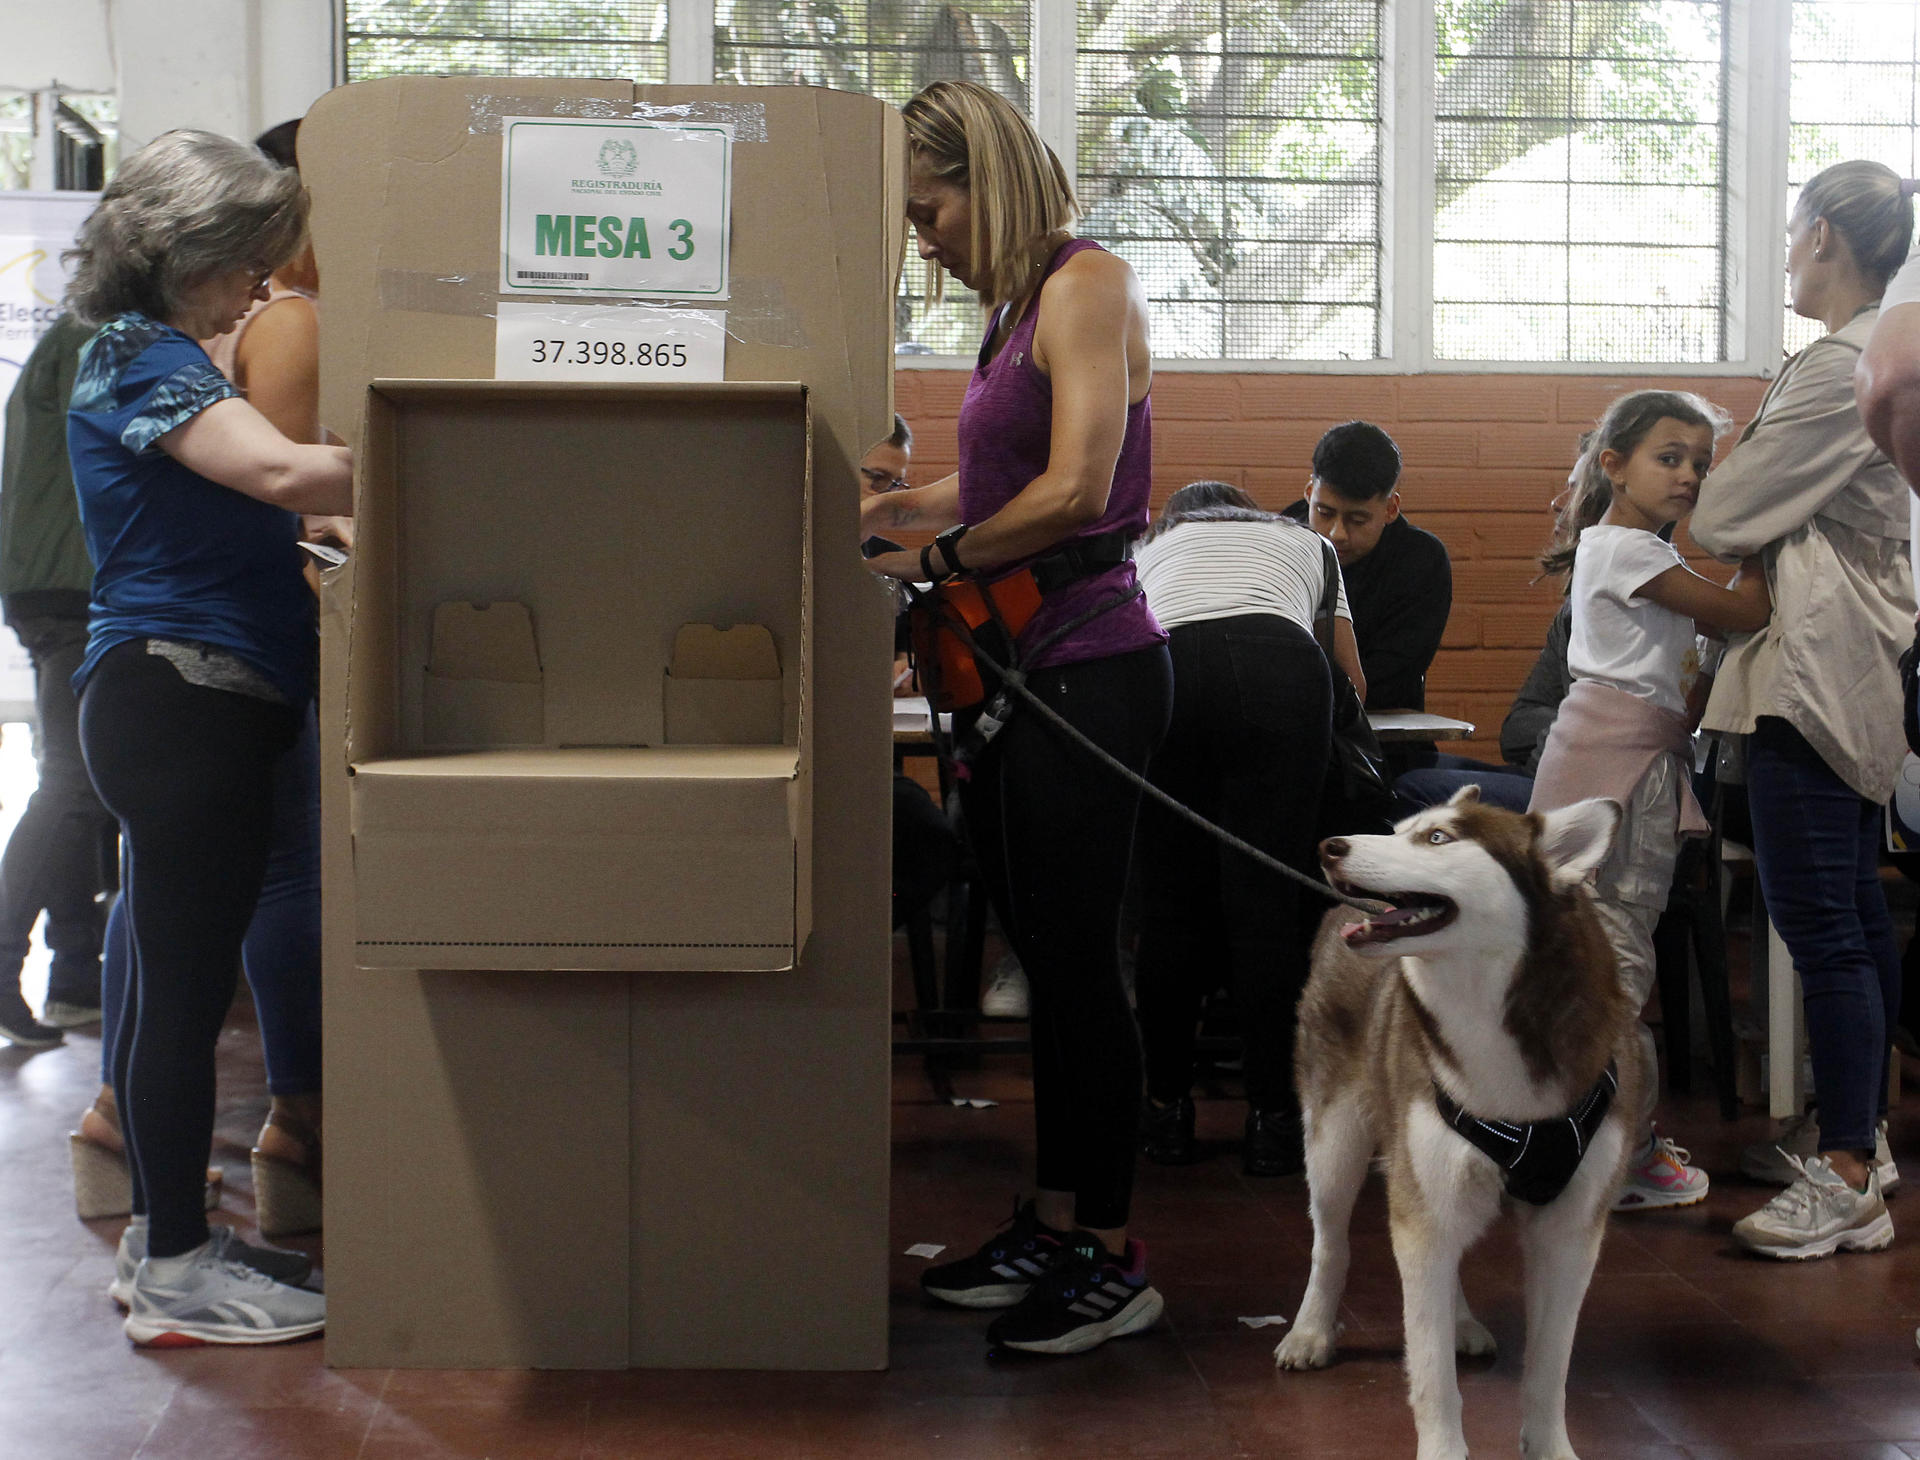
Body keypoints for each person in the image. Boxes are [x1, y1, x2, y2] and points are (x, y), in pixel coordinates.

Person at [862, 79, 1172, 1357]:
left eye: (928, 208)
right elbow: (994, 481)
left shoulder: (1084, 285)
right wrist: (887, 510)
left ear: (983, 179)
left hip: (1089, 667)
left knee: (1083, 967)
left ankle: (1111, 1248)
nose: (920, 236)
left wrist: (935, 565)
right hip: (1015, 676)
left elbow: (1079, 485)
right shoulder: (1008, 313)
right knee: (1043, 964)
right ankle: (1052, 1218)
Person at [65, 128, 351, 1344]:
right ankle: (176, 1266)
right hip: (187, 693)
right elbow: (285, 472)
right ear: (189, 256)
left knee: (165, 983)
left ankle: (161, 1236)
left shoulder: (155, 353)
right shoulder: (144, 360)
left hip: (177, 694)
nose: (261, 287)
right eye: (245, 263)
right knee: (180, 992)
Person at [1690, 161, 1914, 1260]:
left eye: (1789, 231)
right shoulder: (1854, 352)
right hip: (1838, 662)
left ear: (1824, 233)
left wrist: (1724, 467)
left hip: (1816, 670)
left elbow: (1726, 514)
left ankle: (1844, 1170)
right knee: (1854, 916)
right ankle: (1858, 1143)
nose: (1784, 251)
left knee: (1822, 919)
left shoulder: (1842, 362)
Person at [1527, 390, 1769, 1214]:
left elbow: (1692, 673)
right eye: (1670, 458)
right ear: (1613, 464)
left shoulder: (1622, 551)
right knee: (1618, 959)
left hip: (1610, 756)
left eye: (1702, 463)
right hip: (1619, 767)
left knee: (1593, 954)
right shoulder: (1629, 550)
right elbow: (1748, 609)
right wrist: (1772, 528)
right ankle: (1618, 1153)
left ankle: (1580, 1138)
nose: (1691, 476)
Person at [1130, 481, 1358, 1177]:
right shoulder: (1312, 543)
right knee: (1266, 911)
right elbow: (1352, 684)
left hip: (1168, 668)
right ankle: (1274, 1123)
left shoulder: (1149, 548)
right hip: (1281, 666)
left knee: (1170, 911)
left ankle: (1164, 1112)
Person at [0, 313, 119, 1047]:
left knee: (78, 785)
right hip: (72, 584)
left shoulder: (71, 337)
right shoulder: (92, 338)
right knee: (75, 785)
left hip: (48, 582)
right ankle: (10, 955)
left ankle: (76, 976)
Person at [1285, 421, 1451, 717]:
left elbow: (1392, 676)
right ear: (1310, 492)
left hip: (1381, 741)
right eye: (1324, 513)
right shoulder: (1281, 539)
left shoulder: (1421, 561)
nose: (1337, 533)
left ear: (1391, 509)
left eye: (1357, 520)